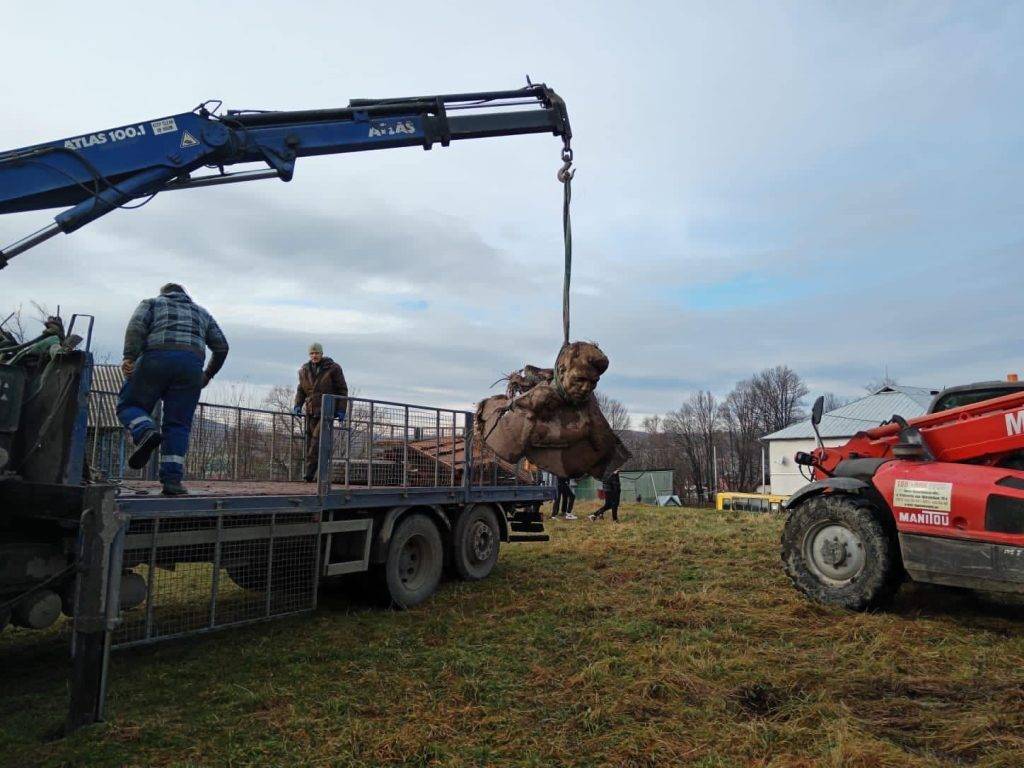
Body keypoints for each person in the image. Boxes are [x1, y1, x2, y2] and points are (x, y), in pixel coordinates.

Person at [117, 283, 229, 496]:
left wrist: (129, 356)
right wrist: (207, 375)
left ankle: (145, 431)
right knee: (178, 425)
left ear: (164, 293)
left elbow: (136, 327)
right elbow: (222, 347)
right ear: (185, 295)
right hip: (191, 366)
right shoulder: (202, 313)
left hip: (155, 358)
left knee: (129, 405)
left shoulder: (151, 303)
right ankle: (172, 482)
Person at [293, 342, 348, 482]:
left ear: (322, 354)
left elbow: (342, 389)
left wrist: (341, 410)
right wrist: (297, 405)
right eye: (312, 353)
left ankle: (309, 475)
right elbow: (301, 390)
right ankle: (315, 475)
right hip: (311, 411)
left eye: (317, 353)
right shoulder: (304, 370)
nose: (314, 356)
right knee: (310, 442)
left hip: (327, 411)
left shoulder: (333, 368)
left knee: (316, 443)